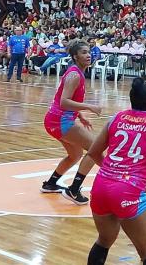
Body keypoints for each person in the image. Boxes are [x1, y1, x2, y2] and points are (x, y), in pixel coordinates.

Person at [85, 78, 146, 265]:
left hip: (101, 186)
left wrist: (112, 172)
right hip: (129, 190)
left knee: (104, 240)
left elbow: (93, 152)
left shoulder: (115, 118)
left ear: (131, 99)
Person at [40, 39, 103, 204]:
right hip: (60, 121)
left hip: (56, 120)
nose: (88, 55)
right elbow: (63, 102)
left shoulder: (77, 72)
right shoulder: (75, 74)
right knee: (95, 149)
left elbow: (65, 101)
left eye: (89, 52)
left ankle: (51, 183)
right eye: (84, 52)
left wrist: (80, 115)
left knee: (75, 155)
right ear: (75, 57)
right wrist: (88, 107)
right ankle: (74, 190)